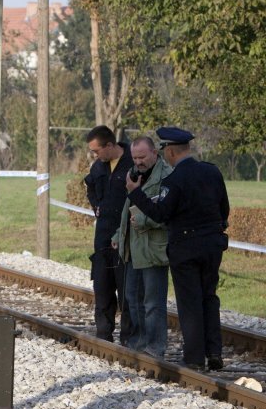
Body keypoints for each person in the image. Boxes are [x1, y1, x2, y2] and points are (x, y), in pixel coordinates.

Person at [125, 127, 229, 371]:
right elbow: (224, 208)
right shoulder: (213, 172)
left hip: (185, 247)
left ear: (169, 151)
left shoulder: (174, 180)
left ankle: (194, 358)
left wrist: (135, 193)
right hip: (213, 244)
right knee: (209, 297)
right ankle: (214, 351)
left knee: (190, 302)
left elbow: (160, 214)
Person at [112, 137, 171, 358]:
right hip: (132, 248)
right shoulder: (133, 174)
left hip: (153, 249)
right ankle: (138, 343)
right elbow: (127, 209)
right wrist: (119, 234)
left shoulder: (166, 177)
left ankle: (156, 347)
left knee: (153, 302)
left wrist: (145, 221)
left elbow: (167, 213)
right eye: (135, 157)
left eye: (142, 157)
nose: (138, 162)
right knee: (132, 299)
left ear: (155, 153)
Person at [84, 125, 133, 345]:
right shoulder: (99, 167)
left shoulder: (133, 162)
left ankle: (129, 337)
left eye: (97, 151)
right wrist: (96, 206)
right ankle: (103, 333)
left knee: (126, 289)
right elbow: (91, 187)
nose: (95, 155)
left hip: (126, 236)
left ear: (110, 145)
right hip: (103, 236)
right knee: (102, 286)